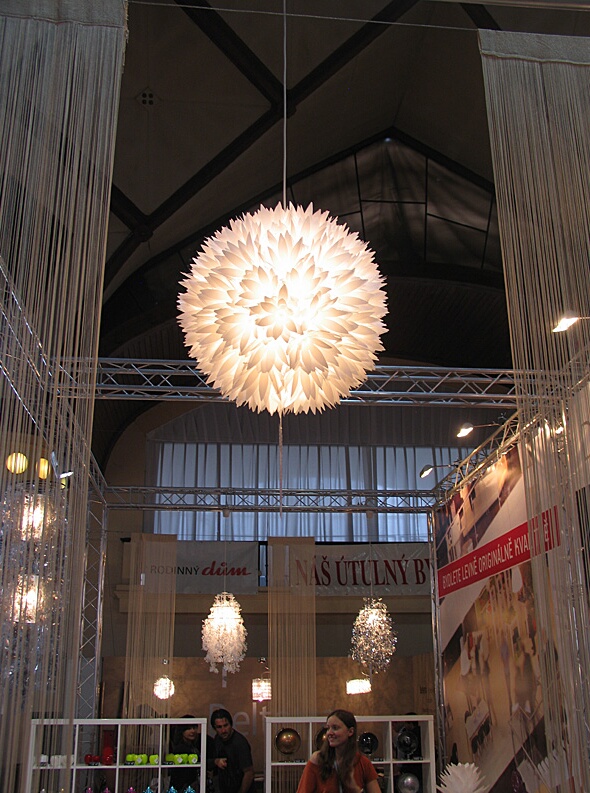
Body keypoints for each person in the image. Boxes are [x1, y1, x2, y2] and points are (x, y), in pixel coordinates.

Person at [296, 709, 381, 793]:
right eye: (328, 728)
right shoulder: (318, 760)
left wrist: (355, 789)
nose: (329, 733)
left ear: (350, 731)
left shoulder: (363, 763)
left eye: (335, 728)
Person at [211, 708, 256, 793]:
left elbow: (249, 773)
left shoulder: (240, 743)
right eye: (219, 727)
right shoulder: (217, 739)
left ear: (231, 724)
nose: (223, 730)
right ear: (214, 728)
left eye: (226, 725)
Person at [170, 715, 201, 793]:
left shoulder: (193, 746)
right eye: (188, 728)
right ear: (181, 731)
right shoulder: (180, 749)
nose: (192, 731)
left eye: (194, 727)